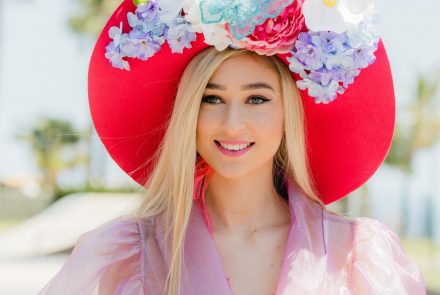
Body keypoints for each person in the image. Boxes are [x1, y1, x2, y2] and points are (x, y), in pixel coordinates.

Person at [38, 0, 427, 294]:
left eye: (257, 99)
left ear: (288, 114)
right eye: (211, 98)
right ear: (189, 111)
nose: (232, 123)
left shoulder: (356, 255)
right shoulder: (125, 255)